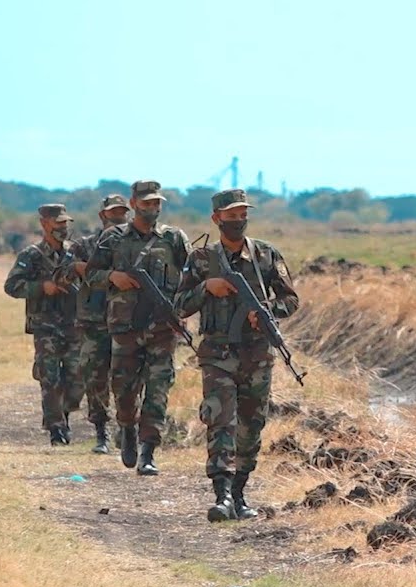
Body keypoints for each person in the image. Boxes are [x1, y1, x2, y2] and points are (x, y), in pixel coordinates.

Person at [176, 188, 299, 521]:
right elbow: (179, 304)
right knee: (219, 419)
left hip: (257, 354)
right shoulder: (201, 259)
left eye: (243, 215)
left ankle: (240, 493)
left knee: (251, 424)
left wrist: (268, 311)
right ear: (216, 219)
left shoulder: (266, 255)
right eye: (231, 215)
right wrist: (206, 288)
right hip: (217, 354)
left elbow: (290, 299)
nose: (238, 221)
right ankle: (223, 495)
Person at [86, 180, 191, 475]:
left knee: (158, 389)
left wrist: (182, 310)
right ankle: (127, 428)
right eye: (146, 203)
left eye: (157, 203)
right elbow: (91, 275)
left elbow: (192, 276)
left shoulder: (173, 238)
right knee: (124, 390)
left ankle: (148, 451)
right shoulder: (113, 238)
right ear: (134, 204)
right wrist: (113, 277)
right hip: (126, 327)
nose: (152, 208)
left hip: (162, 328)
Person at [3, 204, 84, 445]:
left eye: (65, 223)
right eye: (58, 223)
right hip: (45, 326)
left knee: (76, 378)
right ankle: (56, 427)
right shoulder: (31, 255)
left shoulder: (76, 253)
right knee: (50, 378)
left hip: (74, 324)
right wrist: (41, 287)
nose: (63, 227)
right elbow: (12, 286)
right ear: (44, 223)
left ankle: (63, 413)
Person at [67, 194, 130, 454]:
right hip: (94, 322)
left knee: (127, 380)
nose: (118, 217)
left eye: (122, 212)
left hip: (127, 322)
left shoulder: (134, 245)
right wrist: (79, 268)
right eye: (113, 212)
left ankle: (127, 430)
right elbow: (61, 274)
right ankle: (101, 432)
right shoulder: (85, 245)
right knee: (94, 378)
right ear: (103, 215)